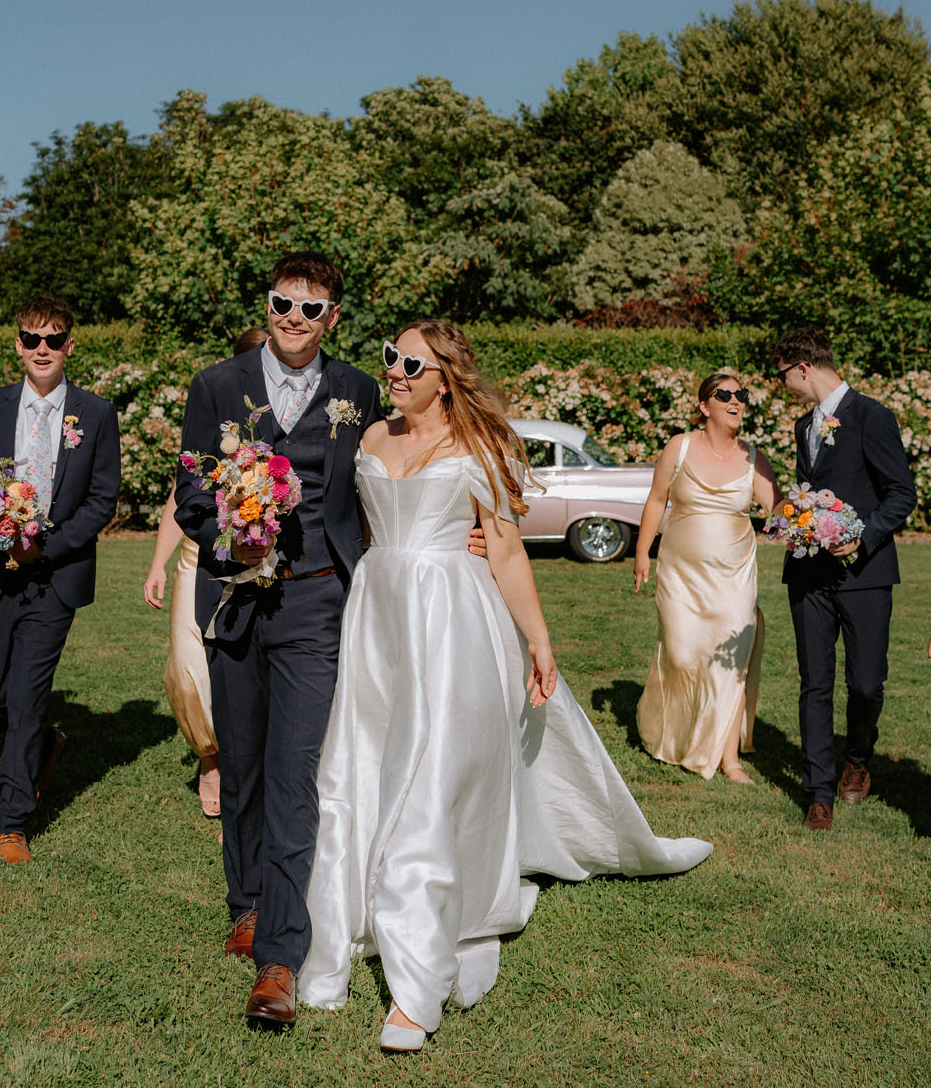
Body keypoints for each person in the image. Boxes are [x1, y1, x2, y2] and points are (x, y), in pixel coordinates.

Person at [298, 320, 713, 1053]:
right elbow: (350, 526)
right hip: (378, 617)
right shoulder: (366, 438)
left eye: (409, 362)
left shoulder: (478, 449)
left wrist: (540, 640)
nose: (391, 370)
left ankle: (415, 992)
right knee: (356, 769)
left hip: (451, 622)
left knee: (428, 779)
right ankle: (340, 931)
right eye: (389, 356)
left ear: (447, 375)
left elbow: (511, 551)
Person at [174, 253, 382, 1028]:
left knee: (296, 772)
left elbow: (387, 476)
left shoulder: (359, 391)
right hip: (234, 597)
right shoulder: (217, 384)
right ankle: (247, 902)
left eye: (312, 309)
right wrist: (233, 535)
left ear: (334, 318)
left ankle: (281, 961)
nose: (294, 321)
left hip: (318, 599)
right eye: (282, 305)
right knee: (247, 758)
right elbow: (192, 486)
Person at [0, 296, 121, 863]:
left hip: (55, 578)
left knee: (28, 697)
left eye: (54, 340)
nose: (43, 350)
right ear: (17, 345)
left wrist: (48, 546)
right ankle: (44, 742)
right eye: (32, 339)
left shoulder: (97, 414)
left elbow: (103, 496)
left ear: (69, 346)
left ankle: (12, 819)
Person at [772, 328, 916, 832]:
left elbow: (901, 494)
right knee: (814, 683)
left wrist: (862, 537)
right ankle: (818, 793)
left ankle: (857, 758)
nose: (783, 385)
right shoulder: (800, 427)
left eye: (782, 375)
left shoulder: (872, 416)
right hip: (808, 574)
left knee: (866, 683)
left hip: (865, 574)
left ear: (803, 368)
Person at [143, 327, 268, 820]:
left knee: (245, 671)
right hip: (199, 560)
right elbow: (182, 495)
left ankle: (245, 767)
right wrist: (157, 563)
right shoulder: (214, 414)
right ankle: (210, 759)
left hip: (259, 561)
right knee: (189, 668)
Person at [633, 370, 780, 784]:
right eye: (724, 394)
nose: (736, 401)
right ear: (704, 406)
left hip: (734, 575)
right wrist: (643, 552)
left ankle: (728, 758)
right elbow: (657, 499)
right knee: (681, 655)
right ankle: (678, 737)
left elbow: (780, 509)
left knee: (731, 662)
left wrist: (817, 518)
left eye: (741, 395)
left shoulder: (754, 458)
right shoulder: (679, 447)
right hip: (679, 574)